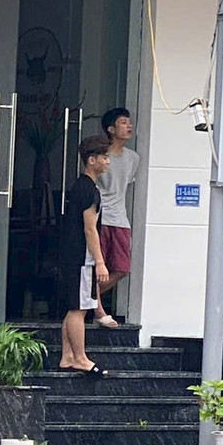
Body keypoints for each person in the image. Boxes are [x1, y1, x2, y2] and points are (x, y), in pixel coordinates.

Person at [58, 135, 113, 375]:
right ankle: (80, 357)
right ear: (92, 160)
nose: (107, 162)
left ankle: (67, 356)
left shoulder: (81, 186)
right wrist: (100, 262)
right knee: (79, 309)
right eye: (104, 157)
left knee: (74, 306)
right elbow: (90, 228)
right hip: (82, 257)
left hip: (72, 255)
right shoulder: (89, 190)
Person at [96, 107, 139, 327]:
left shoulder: (133, 158)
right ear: (111, 129)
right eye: (123, 122)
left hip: (120, 218)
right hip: (100, 217)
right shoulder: (101, 156)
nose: (129, 126)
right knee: (97, 267)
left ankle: (89, 299)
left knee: (122, 268)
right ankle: (98, 309)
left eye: (129, 122)